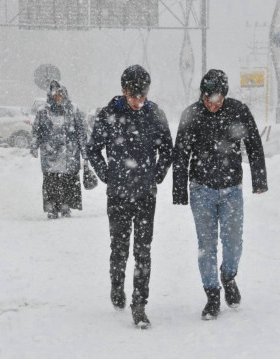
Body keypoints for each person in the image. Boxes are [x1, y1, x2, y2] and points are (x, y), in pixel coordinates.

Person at [173, 69, 268, 320]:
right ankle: (212, 294)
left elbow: (254, 145)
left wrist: (259, 179)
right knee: (207, 245)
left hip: (231, 190)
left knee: (233, 242)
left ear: (224, 95)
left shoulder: (238, 111)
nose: (210, 104)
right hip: (201, 189)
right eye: (206, 98)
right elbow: (181, 153)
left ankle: (228, 275)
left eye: (215, 99)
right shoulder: (192, 114)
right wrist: (179, 189)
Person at [86, 65, 173, 328]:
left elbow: (167, 149)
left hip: (146, 193)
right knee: (120, 248)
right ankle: (116, 284)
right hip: (119, 194)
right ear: (123, 91)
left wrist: (157, 175)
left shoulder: (154, 114)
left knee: (143, 251)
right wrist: (107, 175)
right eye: (134, 96)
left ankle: (139, 303)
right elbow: (92, 150)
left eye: (143, 95)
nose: (139, 101)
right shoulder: (109, 114)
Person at [30, 80, 87, 219]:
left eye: (60, 95)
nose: (58, 98)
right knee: (51, 181)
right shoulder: (43, 111)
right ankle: (52, 207)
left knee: (68, 180)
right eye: (55, 95)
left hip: (69, 153)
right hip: (50, 154)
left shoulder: (73, 110)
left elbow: (81, 131)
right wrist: (34, 145)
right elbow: (36, 130)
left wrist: (84, 150)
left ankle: (66, 206)